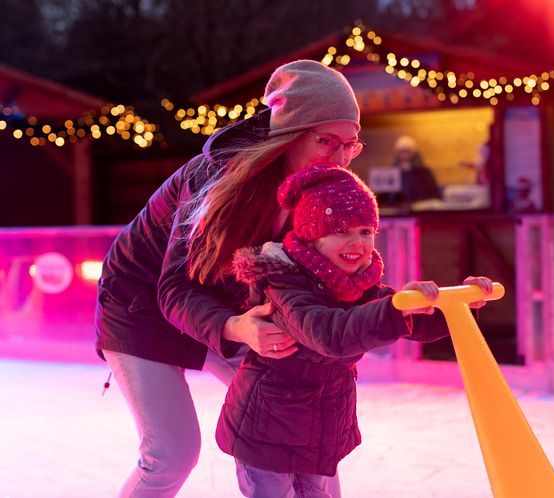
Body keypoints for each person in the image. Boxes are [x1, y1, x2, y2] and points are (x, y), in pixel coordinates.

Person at [94, 59, 365, 497]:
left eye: (350, 145)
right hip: (139, 308)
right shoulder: (220, 178)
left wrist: (407, 305)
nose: (339, 159)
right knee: (171, 454)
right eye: (326, 142)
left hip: (218, 305)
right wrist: (236, 326)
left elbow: (334, 274)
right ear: (288, 134)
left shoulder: (325, 192)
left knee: (303, 417)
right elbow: (175, 286)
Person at [216, 165, 493, 497]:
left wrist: (461, 304)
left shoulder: (357, 284)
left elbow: (417, 321)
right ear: (311, 235)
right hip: (264, 433)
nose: (357, 243)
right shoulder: (285, 286)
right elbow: (329, 333)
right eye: (342, 231)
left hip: (316, 432)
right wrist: (394, 309)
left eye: (365, 231)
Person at [379, 135, 440, 207]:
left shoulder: (425, 173)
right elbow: (383, 198)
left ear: (414, 152)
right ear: (397, 152)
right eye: (402, 151)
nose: (404, 155)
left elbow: (434, 194)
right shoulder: (389, 173)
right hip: (396, 212)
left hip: (420, 210)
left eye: (408, 151)